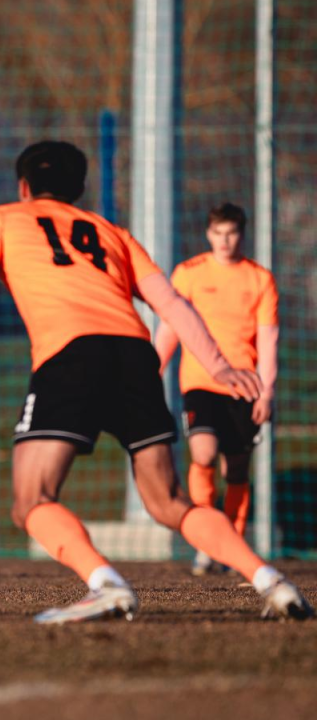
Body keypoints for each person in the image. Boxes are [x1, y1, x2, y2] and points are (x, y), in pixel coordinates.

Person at [0, 141, 311, 623]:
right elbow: (173, 304)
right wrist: (219, 365)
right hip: (135, 356)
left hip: (71, 353)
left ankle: (106, 583)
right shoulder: (111, 232)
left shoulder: (0, 219)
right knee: (169, 501)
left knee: (31, 500)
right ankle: (271, 581)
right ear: (79, 190)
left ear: (23, 188)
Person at [154, 203, 278, 576]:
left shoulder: (260, 279)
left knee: (236, 469)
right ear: (209, 235)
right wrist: (149, 373)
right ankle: (206, 545)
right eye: (218, 233)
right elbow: (170, 330)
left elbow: (269, 340)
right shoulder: (188, 273)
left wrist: (267, 391)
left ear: (242, 234)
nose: (225, 241)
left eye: (232, 233)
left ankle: (232, 546)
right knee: (203, 455)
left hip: (245, 386)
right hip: (200, 384)